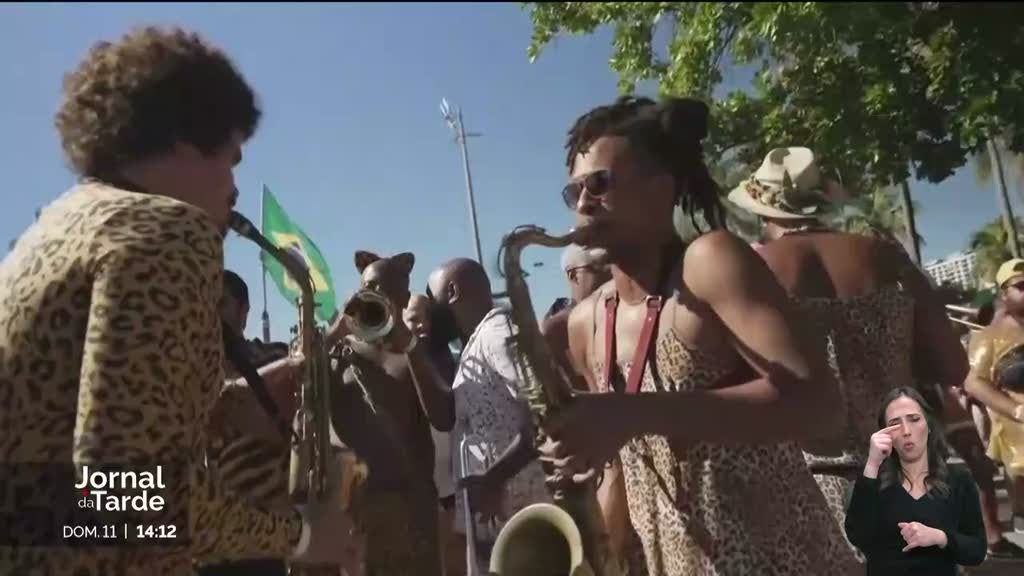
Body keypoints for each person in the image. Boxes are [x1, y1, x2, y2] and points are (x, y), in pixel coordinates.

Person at [0, 26, 358, 575]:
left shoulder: (60, 225)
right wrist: (301, 535)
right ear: (187, 138)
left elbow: (66, 452)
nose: (234, 186)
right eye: (231, 159)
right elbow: (121, 499)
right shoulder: (167, 229)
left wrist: (227, 405)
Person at [542, 96, 858, 575]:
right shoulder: (585, 321)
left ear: (661, 188)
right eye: (574, 192)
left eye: (599, 183)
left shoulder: (709, 262)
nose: (583, 203)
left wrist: (632, 414)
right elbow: (624, 475)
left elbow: (821, 406)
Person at [727, 146, 1017, 557]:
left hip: (802, 480)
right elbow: (952, 364)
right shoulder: (887, 258)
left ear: (761, 211)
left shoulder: (750, 270)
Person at [396, 258, 552, 572]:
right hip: (495, 518)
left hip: (518, 515)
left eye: (432, 297)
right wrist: (410, 345)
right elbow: (444, 415)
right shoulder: (476, 342)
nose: (429, 311)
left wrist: (495, 477)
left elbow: (544, 410)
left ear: (452, 291)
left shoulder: (498, 333)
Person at [327, 251, 442, 576]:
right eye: (367, 286)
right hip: (358, 516)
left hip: (413, 515)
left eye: (383, 287)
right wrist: (336, 331)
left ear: (403, 297)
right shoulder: (340, 353)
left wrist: (409, 347)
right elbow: (300, 381)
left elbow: (443, 416)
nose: (374, 294)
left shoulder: (416, 354)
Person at [197, 271, 302, 576]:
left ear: (244, 313)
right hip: (207, 532)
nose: (211, 313)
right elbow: (221, 399)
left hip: (265, 529)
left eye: (221, 304)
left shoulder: (273, 355)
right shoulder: (191, 367)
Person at [844, 387, 987, 575]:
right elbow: (858, 535)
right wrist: (872, 464)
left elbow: (976, 551)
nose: (906, 431)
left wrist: (940, 537)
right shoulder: (873, 481)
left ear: (928, 426)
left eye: (914, 419)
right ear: (886, 435)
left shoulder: (959, 479)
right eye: (895, 424)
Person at [966, 258, 1024, 535]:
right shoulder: (989, 337)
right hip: (1018, 440)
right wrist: (1017, 411)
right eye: (1021, 286)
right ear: (1004, 294)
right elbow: (975, 383)